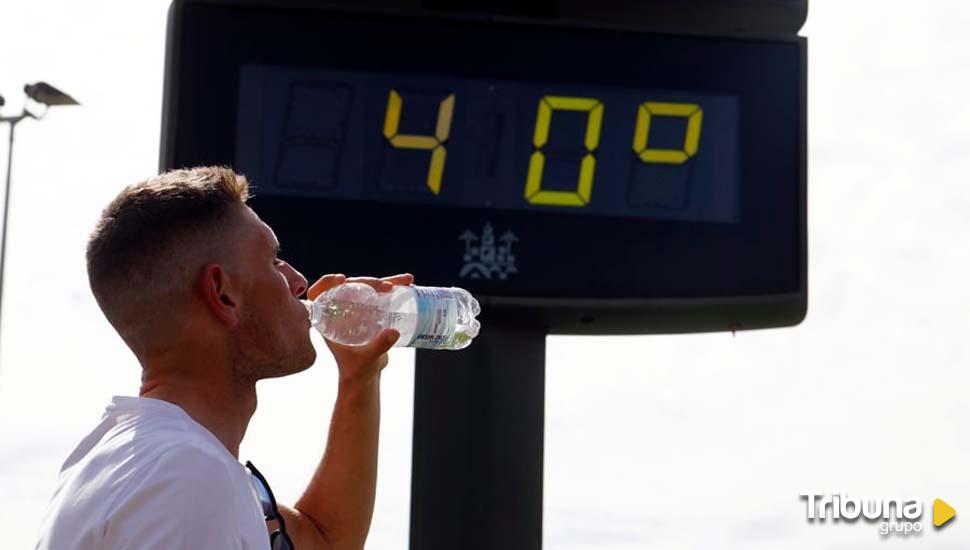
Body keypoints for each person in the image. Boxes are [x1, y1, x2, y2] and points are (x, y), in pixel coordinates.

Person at [34, 166, 409, 549]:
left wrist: (359, 379)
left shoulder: (128, 460)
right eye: (274, 260)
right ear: (222, 292)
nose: (298, 281)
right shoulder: (188, 475)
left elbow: (324, 540)